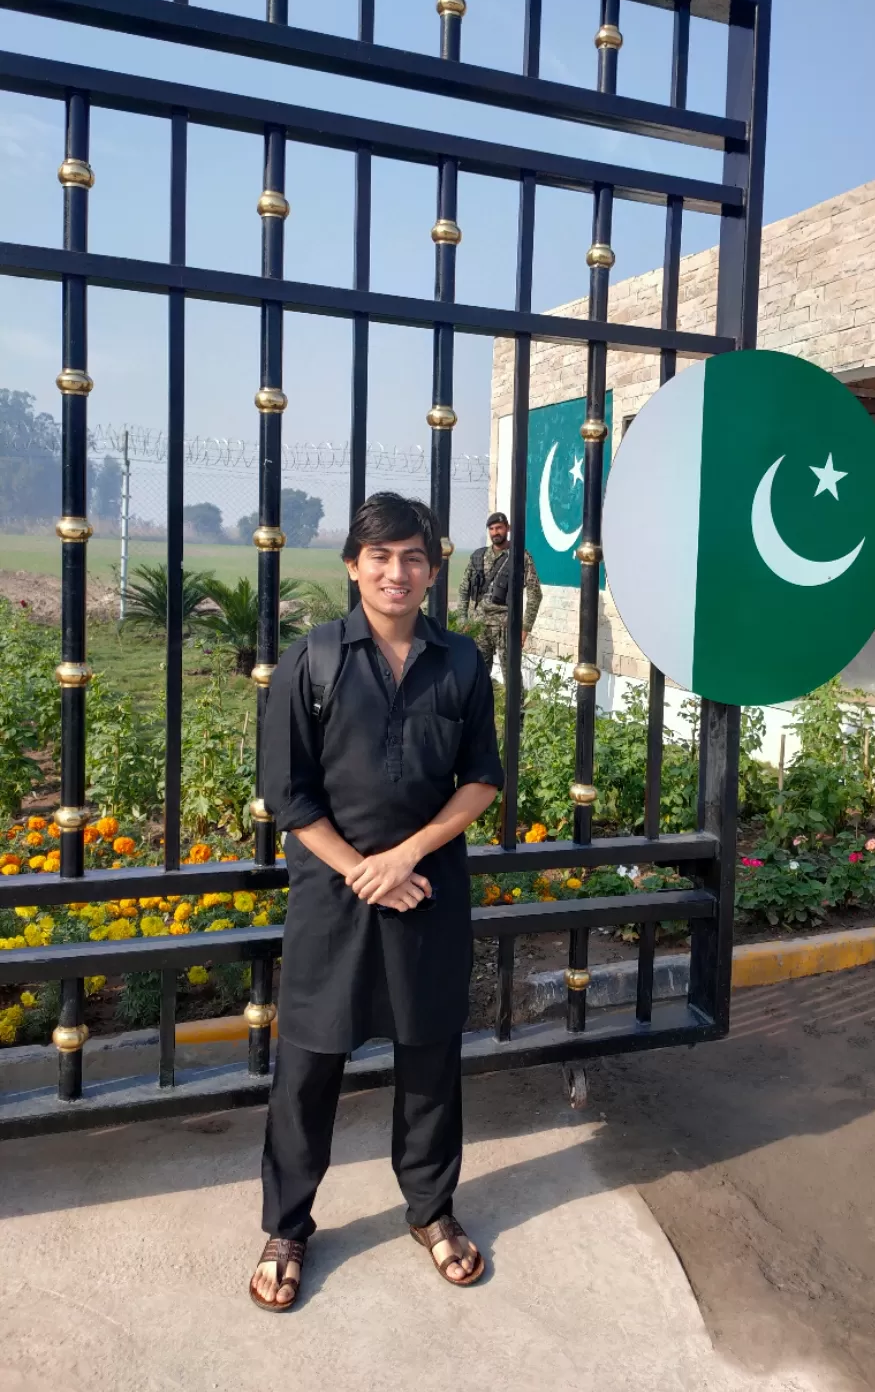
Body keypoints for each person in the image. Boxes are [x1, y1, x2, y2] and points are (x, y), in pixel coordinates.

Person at [249, 491, 502, 1312]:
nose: (398, 572)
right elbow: (286, 793)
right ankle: (287, 1226)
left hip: (427, 887)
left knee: (430, 1059)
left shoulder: (462, 663)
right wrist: (362, 869)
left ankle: (431, 1211)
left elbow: (481, 780)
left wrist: (405, 856)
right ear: (354, 565)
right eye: (381, 556)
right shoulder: (313, 660)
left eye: (414, 557)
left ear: (433, 570)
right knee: (310, 1063)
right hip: (333, 897)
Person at [457, 510, 542, 677]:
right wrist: (462, 619)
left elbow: (535, 594)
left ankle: (516, 704)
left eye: (499, 528)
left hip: (506, 625)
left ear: (507, 528)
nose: (495, 532)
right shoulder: (478, 556)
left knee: (511, 675)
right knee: (477, 674)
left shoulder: (520, 557)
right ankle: (482, 704)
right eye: (492, 528)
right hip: (480, 624)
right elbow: (464, 589)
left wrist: (525, 628)